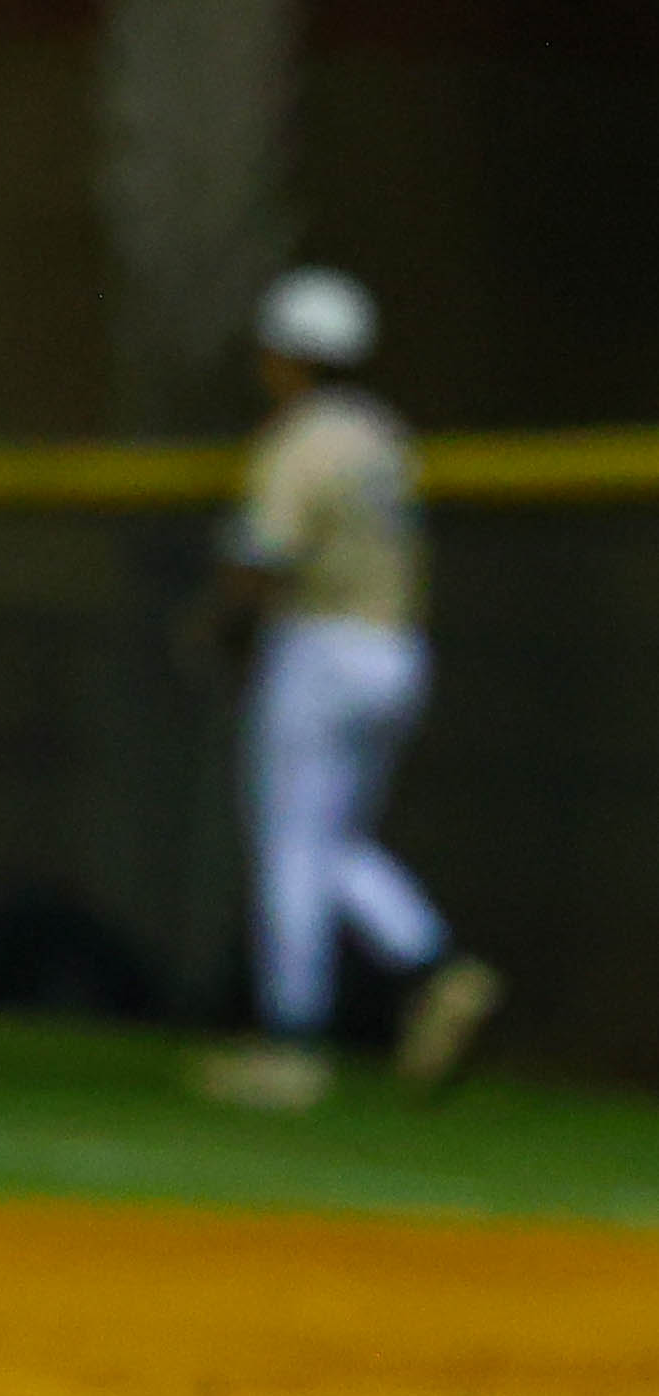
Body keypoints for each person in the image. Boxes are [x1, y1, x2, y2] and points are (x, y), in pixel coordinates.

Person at [193, 267, 502, 1111]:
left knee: (293, 847)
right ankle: (434, 963)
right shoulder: (382, 436)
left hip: (322, 649)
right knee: (333, 842)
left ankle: (292, 1041)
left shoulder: (301, 439)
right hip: (396, 650)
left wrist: (219, 631)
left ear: (288, 355)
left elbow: (261, 560)